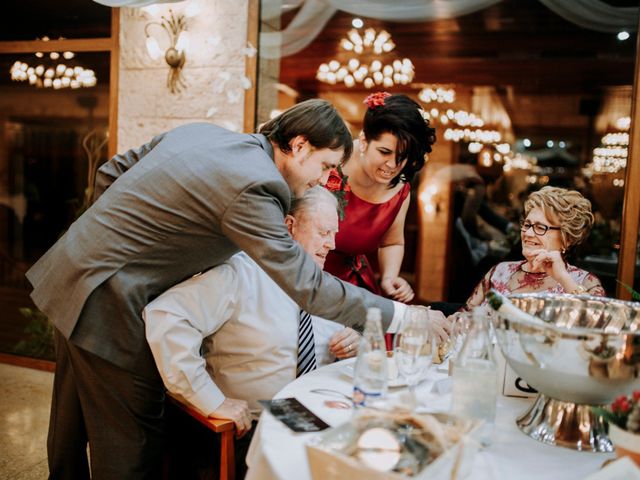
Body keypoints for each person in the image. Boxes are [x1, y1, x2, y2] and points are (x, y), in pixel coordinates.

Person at [25, 99, 449, 479]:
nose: (323, 181)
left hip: (72, 273)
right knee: (131, 445)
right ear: (298, 145)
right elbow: (306, 285)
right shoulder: (259, 188)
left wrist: (105, 244)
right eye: (323, 167)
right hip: (110, 303)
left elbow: (111, 172)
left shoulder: (205, 134)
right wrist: (409, 316)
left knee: (69, 422)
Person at [144, 186, 358, 477]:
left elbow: (354, 357)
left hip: (317, 425)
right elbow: (166, 317)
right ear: (289, 227)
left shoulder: (325, 286)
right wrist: (211, 400)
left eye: (334, 233)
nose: (332, 244)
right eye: (323, 232)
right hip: (249, 430)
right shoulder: (239, 274)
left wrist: (357, 342)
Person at [324, 92, 435, 304]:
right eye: (385, 152)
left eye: (402, 157)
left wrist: (389, 277)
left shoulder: (400, 190)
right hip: (301, 276)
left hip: (351, 289)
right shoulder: (329, 161)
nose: (392, 165)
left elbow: (391, 242)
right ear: (364, 140)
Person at [458, 186, 605, 312]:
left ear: (567, 239)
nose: (527, 233)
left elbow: (599, 325)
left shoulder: (585, 282)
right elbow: (461, 318)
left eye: (540, 227)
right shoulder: (499, 273)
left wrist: (563, 278)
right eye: (527, 225)